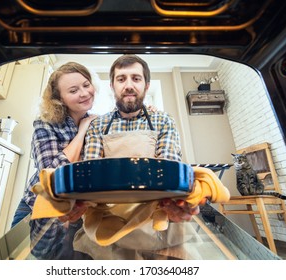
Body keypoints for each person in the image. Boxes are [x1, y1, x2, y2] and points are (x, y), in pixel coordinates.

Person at [83, 54, 201, 222]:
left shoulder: (163, 121)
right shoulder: (97, 126)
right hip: (107, 221)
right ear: (112, 86)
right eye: (121, 79)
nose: (129, 86)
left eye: (136, 79)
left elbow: (167, 174)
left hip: (155, 219)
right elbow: (92, 178)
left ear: (146, 86)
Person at [11, 61, 96, 259]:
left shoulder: (97, 123)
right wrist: (82, 131)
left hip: (77, 213)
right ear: (60, 99)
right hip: (38, 209)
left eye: (86, 84)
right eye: (73, 90)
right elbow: (52, 175)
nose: (84, 93)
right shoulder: (46, 124)